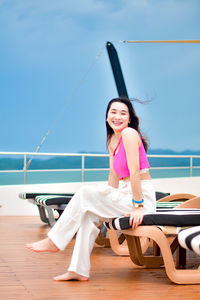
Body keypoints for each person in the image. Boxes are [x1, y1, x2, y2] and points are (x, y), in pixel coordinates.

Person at [26, 97, 156, 281]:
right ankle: (78, 270)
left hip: (141, 196)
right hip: (124, 193)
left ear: (129, 119)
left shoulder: (129, 134)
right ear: (106, 117)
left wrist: (138, 206)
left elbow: (134, 172)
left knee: (84, 193)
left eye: (123, 113)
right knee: (88, 214)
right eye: (113, 112)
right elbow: (113, 176)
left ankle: (54, 240)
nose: (117, 116)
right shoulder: (113, 140)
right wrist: (106, 198)